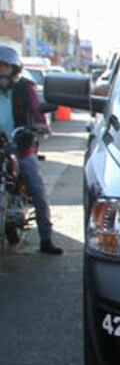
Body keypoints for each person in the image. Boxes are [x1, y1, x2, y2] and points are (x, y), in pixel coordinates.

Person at [0, 45, 62, 254]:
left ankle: (46, 239)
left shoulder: (24, 87)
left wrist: (39, 124)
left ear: (14, 69)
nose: (1, 71)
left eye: (5, 67)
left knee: (36, 187)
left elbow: (36, 110)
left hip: (20, 146)